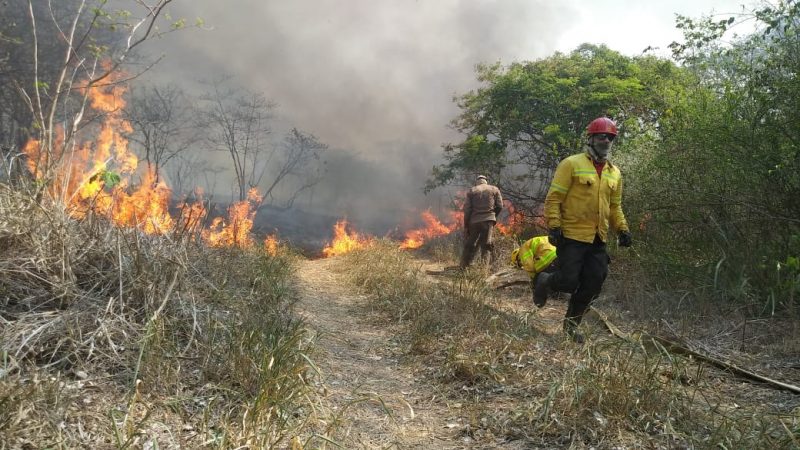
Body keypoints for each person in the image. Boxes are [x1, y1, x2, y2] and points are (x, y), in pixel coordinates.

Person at [535, 117, 632, 343]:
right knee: (568, 281)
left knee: (594, 283)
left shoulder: (614, 173)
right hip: (572, 234)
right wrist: (555, 226)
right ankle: (545, 280)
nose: (606, 140)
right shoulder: (571, 164)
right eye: (601, 136)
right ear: (591, 138)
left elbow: (615, 206)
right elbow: (554, 198)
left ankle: (570, 327)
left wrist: (623, 229)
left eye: (610, 137)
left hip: (598, 238)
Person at [460, 174, 503, 269]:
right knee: (487, 245)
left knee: (470, 244)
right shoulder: (494, 189)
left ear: (477, 181)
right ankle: (484, 269)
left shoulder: (472, 190)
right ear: (486, 181)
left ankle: (464, 267)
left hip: (474, 221)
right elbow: (500, 206)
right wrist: (493, 216)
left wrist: (466, 225)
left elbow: (467, 210)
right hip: (488, 221)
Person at [510, 235, 558, 307]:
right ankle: (558, 293)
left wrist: (533, 281)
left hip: (547, 259)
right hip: (559, 255)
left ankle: (542, 299)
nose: (521, 266)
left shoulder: (522, 250)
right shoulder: (533, 242)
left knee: (539, 278)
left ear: (518, 258)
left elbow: (529, 266)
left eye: (520, 264)